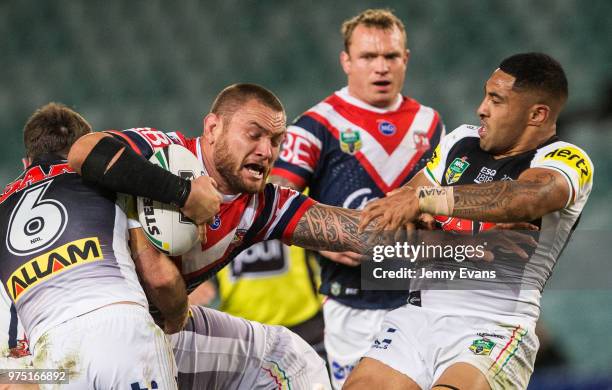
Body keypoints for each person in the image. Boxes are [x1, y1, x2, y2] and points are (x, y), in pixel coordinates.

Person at [67, 83, 395, 389]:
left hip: (161, 329)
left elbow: (359, 235)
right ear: (212, 128)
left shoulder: (266, 206)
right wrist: (182, 193)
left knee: (291, 359)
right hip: (78, 317)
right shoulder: (163, 148)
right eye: (254, 135)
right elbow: (83, 150)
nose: (266, 151)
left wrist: (433, 226)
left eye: (277, 140)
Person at [346, 53, 594, 389]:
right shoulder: (460, 141)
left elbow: (525, 198)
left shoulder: (565, 159)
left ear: (537, 114)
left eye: (496, 100)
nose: (482, 108)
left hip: (493, 324)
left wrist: (428, 202)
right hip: (417, 314)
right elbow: (396, 215)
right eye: (485, 95)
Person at [269, 8, 445, 388]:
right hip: (352, 302)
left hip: (419, 299)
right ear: (346, 61)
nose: (380, 67)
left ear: (406, 59)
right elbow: (274, 200)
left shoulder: (431, 123)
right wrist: (322, 239)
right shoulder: (316, 124)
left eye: (390, 56)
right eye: (368, 57)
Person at [0, 103, 202, 388]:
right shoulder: (107, 178)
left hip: (55, 357)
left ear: (25, 163)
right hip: (122, 331)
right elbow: (159, 275)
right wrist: (177, 318)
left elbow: (9, 361)